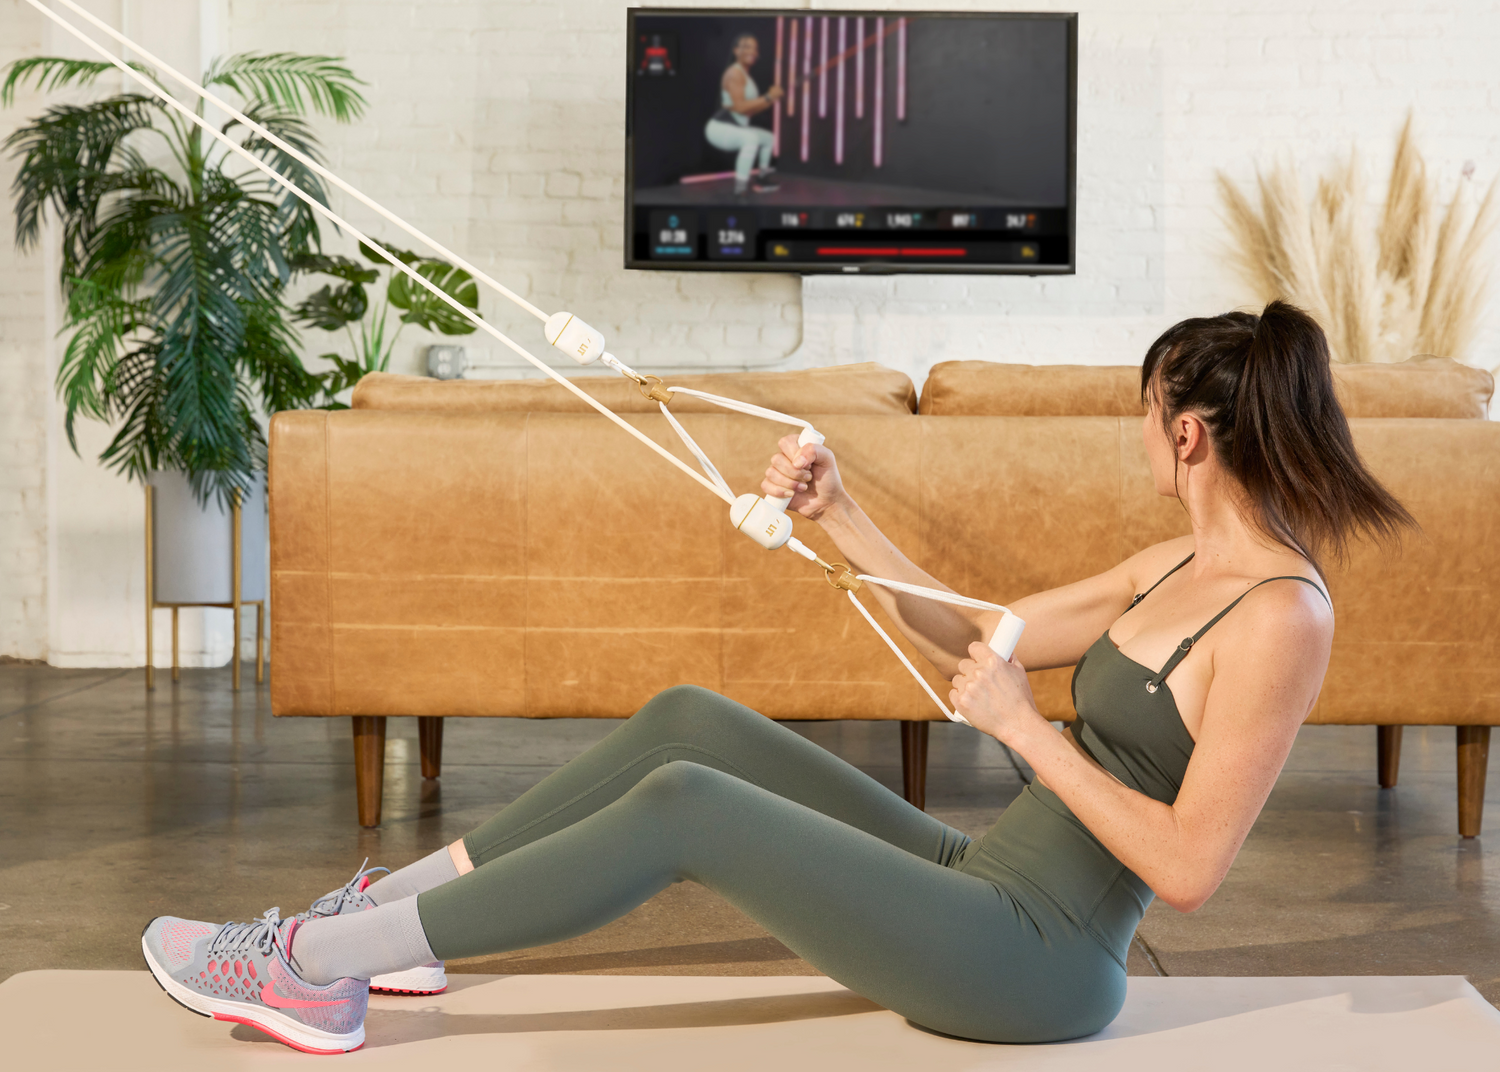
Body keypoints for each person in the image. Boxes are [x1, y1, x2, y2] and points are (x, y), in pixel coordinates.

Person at [142, 302, 1414, 1054]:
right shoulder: (1170, 561)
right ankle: (383, 929)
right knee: (691, 723)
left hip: (1037, 962)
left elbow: (1190, 870)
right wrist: (842, 514)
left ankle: (312, 967)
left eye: (1146, 419)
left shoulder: (1281, 615)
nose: (1139, 438)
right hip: (977, 885)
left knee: (688, 803)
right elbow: (977, 633)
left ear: (1185, 432)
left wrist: (1030, 735)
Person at [704, 33, 782, 195]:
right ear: (735, 50)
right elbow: (740, 107)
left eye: (755, 48)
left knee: (768, 138)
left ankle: (762, 179)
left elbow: (750, 110)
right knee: (751, 139)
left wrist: (771, 99)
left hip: (735, 126)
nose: (752, 51)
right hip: (719, 128)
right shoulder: (734, 73)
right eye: (747, 46)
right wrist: (767, 96)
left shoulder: (747, 76)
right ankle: (740, 189)